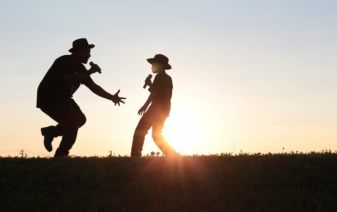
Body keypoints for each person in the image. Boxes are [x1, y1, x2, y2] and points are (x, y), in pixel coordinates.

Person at [36, 38, 126, 157]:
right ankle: (61, 155)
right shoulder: (63, 61)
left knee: (80, 120)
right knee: (72, 122)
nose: (89, 55)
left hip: (64, 98)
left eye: (89, 53)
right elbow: (70, 78)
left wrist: (111, 97)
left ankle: (51, 132)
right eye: (86, 52)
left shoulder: (81, 69)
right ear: (77, 52)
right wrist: (90, 71)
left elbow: (93, 87)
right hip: (49, 97)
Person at [131, 54, 178, 157]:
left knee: (140, 130)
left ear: (160, 65)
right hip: (164, 110)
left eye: (154, 64)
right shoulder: (166, 78)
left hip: (156, 110)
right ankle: (173, 155)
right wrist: (150, 85)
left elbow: (154, 94)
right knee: (156, 135)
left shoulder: (160, 76)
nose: (152, 66)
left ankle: (135, 155)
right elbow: (159, 92)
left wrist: (145, 106)